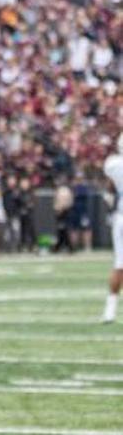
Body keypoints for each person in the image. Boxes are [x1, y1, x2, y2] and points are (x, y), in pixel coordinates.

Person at [101, 135, 123, 323]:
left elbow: (108, 189)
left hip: (121, 217)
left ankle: (110, 311)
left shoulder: (113, 165)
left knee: (119, 264)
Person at [52, 178, 74, 254]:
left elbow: (69, 202)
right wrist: (57, 210)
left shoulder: (65, 190)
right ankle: (61, 247)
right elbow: (56, 202)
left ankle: (68, 247)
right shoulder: (59, 190)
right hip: (60, 212)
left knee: (64, 230)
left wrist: (62, 208)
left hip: (65, 212)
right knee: (61, 230)